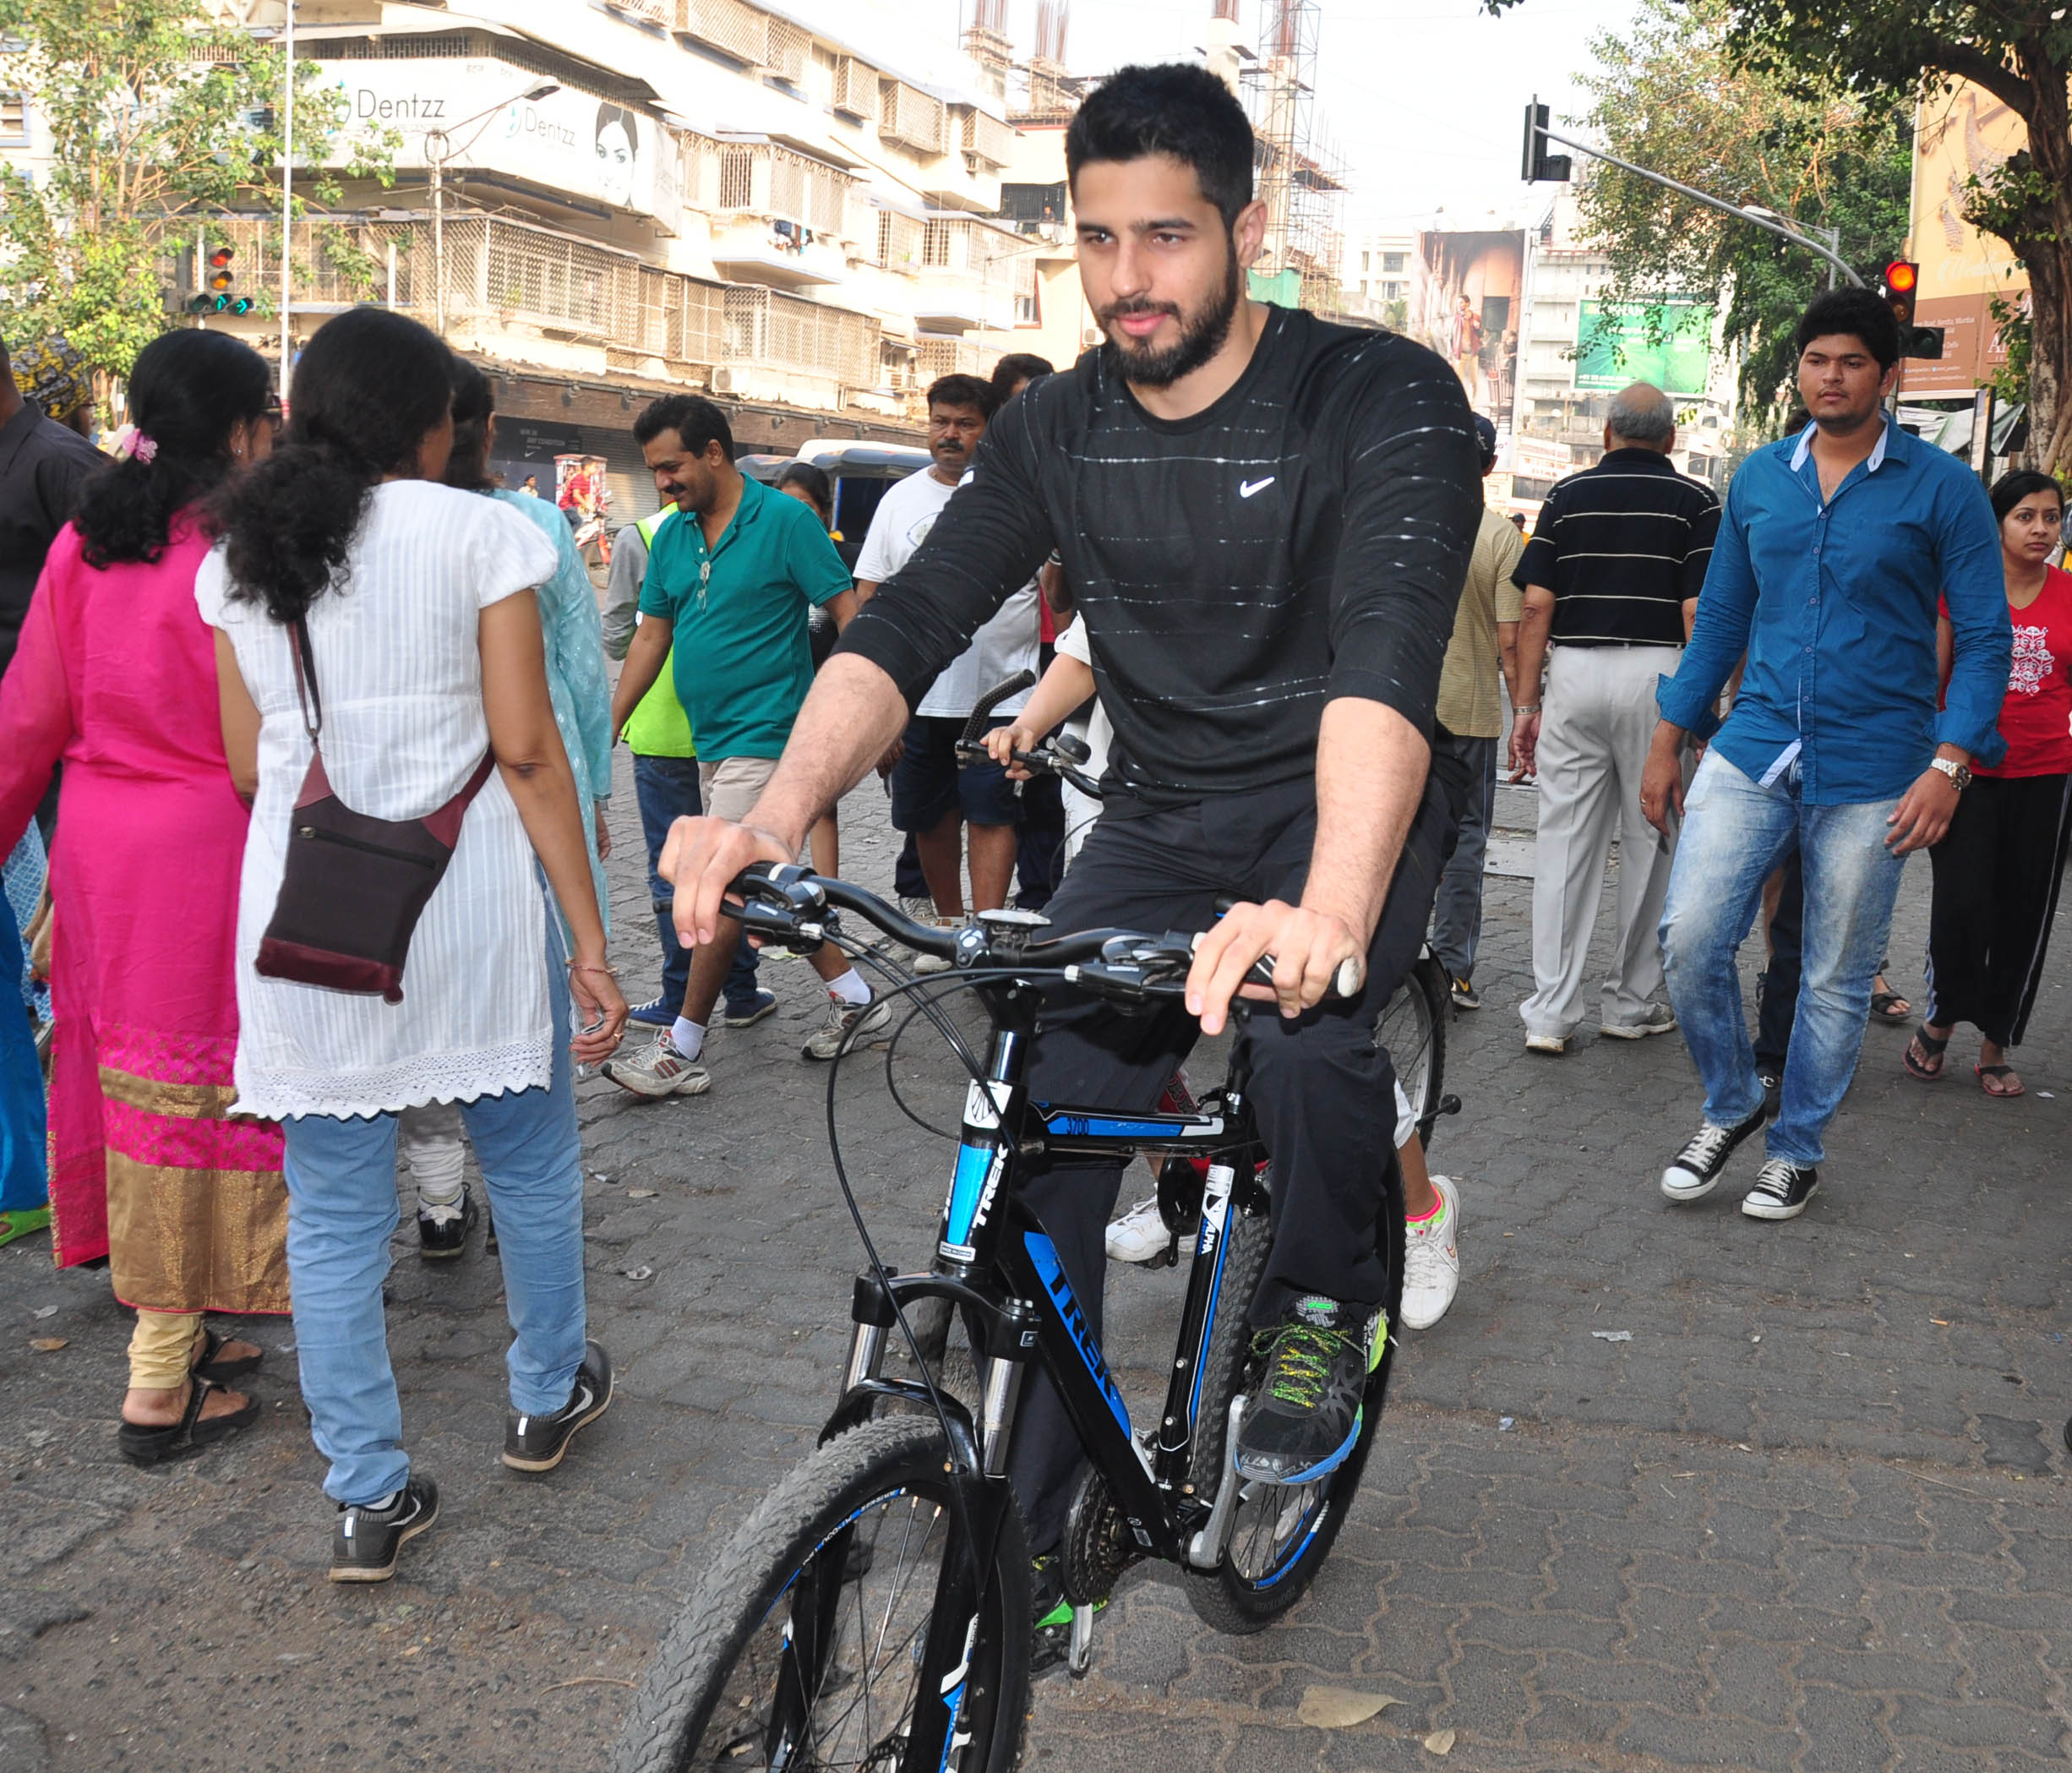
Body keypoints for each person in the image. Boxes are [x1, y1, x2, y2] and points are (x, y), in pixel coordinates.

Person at [662, 64, 1480, 1548]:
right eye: (1098, 241)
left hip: (1341, 805)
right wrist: (773, 815)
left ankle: (1323, 1306)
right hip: (1164, 817)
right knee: (1031, 1119)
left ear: (1244, 224)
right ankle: (1033, 1536)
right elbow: (905, 626)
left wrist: (1332, 908)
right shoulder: (1065, 424)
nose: (1127, 280)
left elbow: (1383, 662)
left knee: (1306, 1034)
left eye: (1165, 237)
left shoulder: (1376, 396)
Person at [203, 306, 628, 1581]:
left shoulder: (241, 554)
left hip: (315, 916)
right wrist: (592, 940)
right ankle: (546, 1395)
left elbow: (242, 763)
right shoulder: (480, 531)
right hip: (475, 909)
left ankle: (368, 1494)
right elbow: (526, 744)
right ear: (431, 419)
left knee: (333, 1218)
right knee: (533, 1165)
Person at [1642, 287, 2011, 1222]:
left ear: (1887, 375)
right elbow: (1722, 615)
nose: (1830, 377)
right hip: (1756, 742)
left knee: (1835, 972)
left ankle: (1796, 1147)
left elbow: (1983, 636)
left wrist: (1950, 762)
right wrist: (1666, 738)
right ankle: (1732, 1103)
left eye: (1850, 362)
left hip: (1877, 762)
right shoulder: (1761, 478)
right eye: (1815, 360)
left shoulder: (1942, 489)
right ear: (1798, 369)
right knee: (1688, 939)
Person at [0, 329, 288, 1463]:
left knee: (138, 1091)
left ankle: (192, 1322)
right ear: (238, 429)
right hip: (210, 849)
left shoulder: (87, 536)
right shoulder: (244, 546)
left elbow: (27, 716)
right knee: (198, 1099)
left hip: (103, 854)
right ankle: (160, 1381)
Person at [394, 360, 622, 1258]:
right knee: (537, 991)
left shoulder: (341, 530)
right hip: (525, 801)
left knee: (419, 998)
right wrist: (595, 793)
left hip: (404, 817)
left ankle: (441, 1199)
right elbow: (575, 672)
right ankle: (528, 1206)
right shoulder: (531, 526)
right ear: (483, 430)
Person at [604, 395, 873, 1092]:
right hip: (711, 741)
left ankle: (680, 1046)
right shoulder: (671, 535)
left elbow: (849, 612)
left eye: (672, 467)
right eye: (655, 471)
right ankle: (851, 995)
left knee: (718, 881)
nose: (662, 482)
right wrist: (608, 722)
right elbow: (652, 635)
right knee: (768, 885)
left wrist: (870, 711)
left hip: (773, 734)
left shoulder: (785, 521)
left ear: (715, 453)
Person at [1511, 382, 1720, 1053]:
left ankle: (1549, 1012)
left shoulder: (1564, 498)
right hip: (1658, 675)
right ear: (1670, 439)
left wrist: (1526, 703)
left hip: (1571, 670)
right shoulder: (1697, 503)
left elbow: (1536, 605)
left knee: (1563, 842)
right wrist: (1703, 711)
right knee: (1652, 834)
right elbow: (1697, 613)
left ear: (1607, 434)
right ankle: (1628, 1002)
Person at [1906, 470, 2072, 1099]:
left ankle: (1996, 1043)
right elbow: (1934, 679)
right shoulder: (1962, 593)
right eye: (2025, 516)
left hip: (2047, 775)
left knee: (2024, 912)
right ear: (1997, 524)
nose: (2040, 529)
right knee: (1962, 904)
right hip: (1966, 775)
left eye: (2051, 517)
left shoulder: (2069, 595)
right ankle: (1942, 1018)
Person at [854, 374, 1038, 936]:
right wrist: (881, 706)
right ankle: (947, 927)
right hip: (920, 697)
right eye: (941, 422)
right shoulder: (900, 499)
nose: (950, 434)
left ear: (989, 428)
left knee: (991, 814)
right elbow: (870, 600)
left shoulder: (1024, 498)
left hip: (1002, 698)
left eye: (965, 423)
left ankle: (983, 935)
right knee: (930, 819)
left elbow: (1056, 596)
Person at [601, 496, 770, 1033]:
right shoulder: (746, 530)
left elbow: (616, 636)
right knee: (731, 867)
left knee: (674, 871)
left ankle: (680, 995)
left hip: (664, 731)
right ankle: (741, 991)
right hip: (731, 728)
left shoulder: (640, 537)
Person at [1429, 412, 1524, 1010]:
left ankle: (1377, 961)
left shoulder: (1401, 524)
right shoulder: (1498, 537)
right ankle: (1450, 971)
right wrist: (1528, 713)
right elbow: (1512, 639)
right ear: (1489, 466)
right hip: (1469, 713)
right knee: (1465, 842)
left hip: (1397, 711)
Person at [990, 353, 1066, 909]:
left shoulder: (1076, 474)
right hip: (1017, 668)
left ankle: (1052, 894)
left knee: (1055, 784)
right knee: (1018, 783)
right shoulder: (996, 486)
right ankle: (1034, 895)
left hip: (1068, 653)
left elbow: (1064, 602)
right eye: (1021, 403)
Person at [774, 460, 844, 885]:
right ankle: (777, 897)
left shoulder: (841, 562)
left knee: (821, 806)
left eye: (802, 506)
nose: (792, 516)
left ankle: (823, 902)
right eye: (783, 505)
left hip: (823, 700)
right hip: (771, 699)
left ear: (823, 513)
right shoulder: (765, 562)